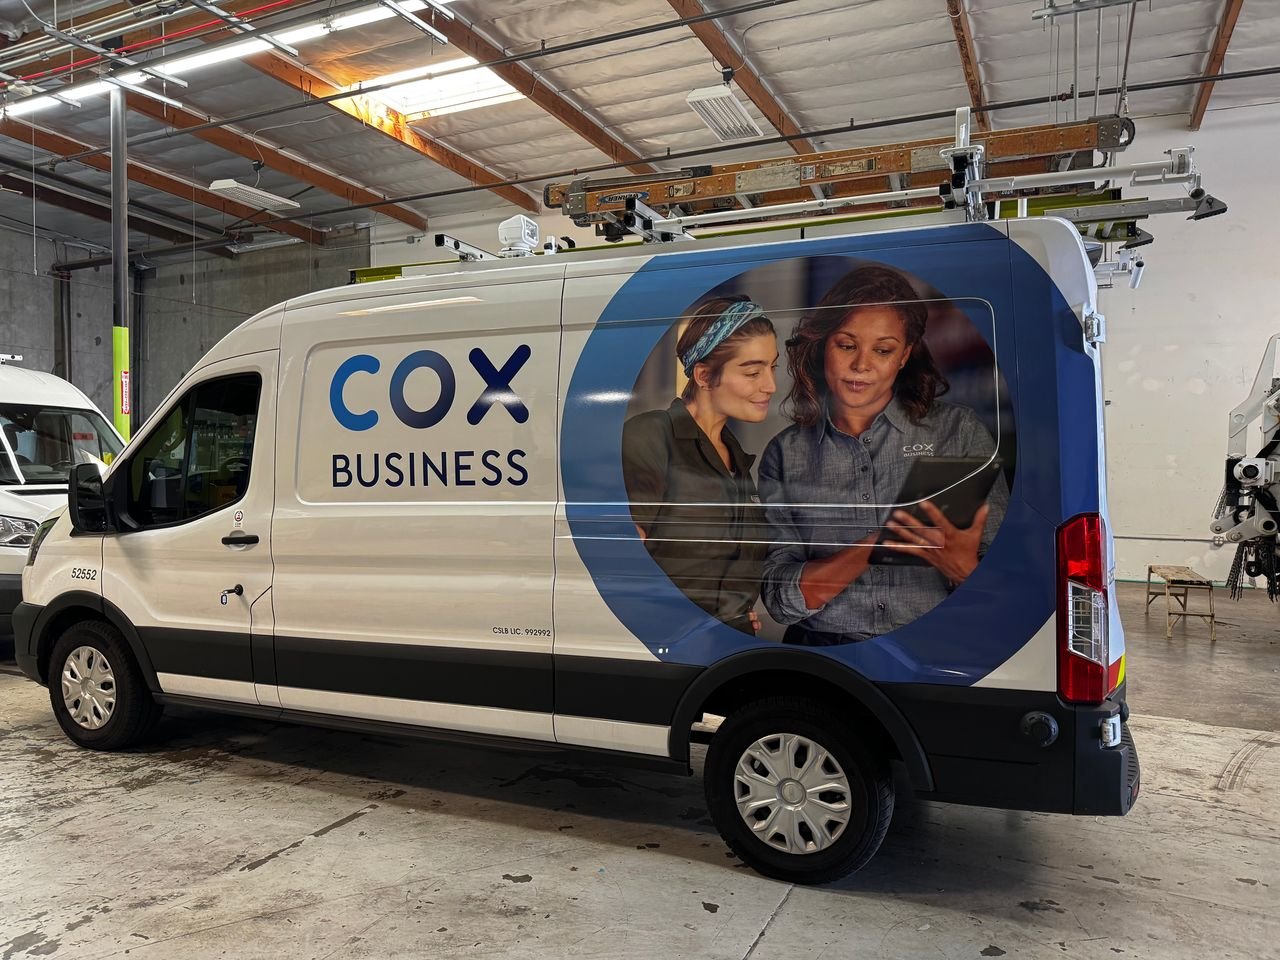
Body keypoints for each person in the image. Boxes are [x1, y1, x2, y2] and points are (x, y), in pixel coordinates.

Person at [759, 264, 1009, 645]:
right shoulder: (784, 453)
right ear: (823, 344)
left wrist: (962, 568)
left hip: (936, 649)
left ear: (905, 355)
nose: (862, 365)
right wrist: (878, 544)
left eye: (883, 350)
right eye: (846, 345)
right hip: (823, 657)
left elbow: (1006, 595)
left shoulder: (957, 433)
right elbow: (780, 600)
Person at [623, 296, 779, 635]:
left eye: (772, 367)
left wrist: (736, 611)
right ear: (705, 375)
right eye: (753, 371)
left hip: (726, 643)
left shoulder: (735, 456)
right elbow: (621, 566)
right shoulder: (652, 436)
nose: (770, 386)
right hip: (666, 644)